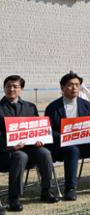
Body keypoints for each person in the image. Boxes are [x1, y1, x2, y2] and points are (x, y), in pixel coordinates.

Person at [45, 72, 90, 201]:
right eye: (70, 85)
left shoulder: (85, 104)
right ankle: (70, 188)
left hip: (83, 142)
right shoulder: (53, 107)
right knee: (72, 149)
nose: (74, 88)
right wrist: (66, 137)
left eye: (77, 85)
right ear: (62, 87)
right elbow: (49, 131)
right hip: (62, 146)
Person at [0, 75, 59, 212]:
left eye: (15, 86)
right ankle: (13, 198)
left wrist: (40, 140)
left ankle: (46, 191)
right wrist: (9, 146)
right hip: (6, 152)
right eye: (8, 86)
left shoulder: (30, 107)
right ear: (4, 88)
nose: (11, 89)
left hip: (31, 149)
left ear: (21, 89)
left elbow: (38, 129)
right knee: (20, 156)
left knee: (44, 152)